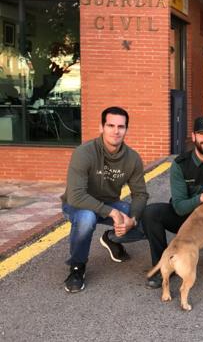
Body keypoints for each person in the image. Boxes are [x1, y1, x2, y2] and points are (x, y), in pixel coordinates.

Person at [142, 116, 203, 288]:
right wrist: (201, 198)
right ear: (193, 136)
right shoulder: (180, 164)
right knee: (151, 213)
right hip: (185, 218)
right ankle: (163, 265)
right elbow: (179, 207)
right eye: (202, 134)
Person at [61, 106, 148, 293]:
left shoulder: (132, 158)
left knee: (145, 221)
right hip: (78, 204)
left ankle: (111, 238)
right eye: (110, 125)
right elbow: (76, 196)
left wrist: (131, 220)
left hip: (108, 202)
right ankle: (77, 267)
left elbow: (140, 194)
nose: (116, 131)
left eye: (121, 126)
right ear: (101, 127)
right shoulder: (84, 153)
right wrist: (113, 212)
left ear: (126, 129)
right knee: (86, 218)